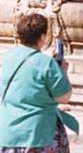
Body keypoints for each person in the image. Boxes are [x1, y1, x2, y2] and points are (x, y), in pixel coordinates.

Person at [0, 12, 78, 152]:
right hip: (38, 134)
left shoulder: (8, 57)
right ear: (42, 37)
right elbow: (64, 97)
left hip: (9, 132)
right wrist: (63, 73)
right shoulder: (47, 63)